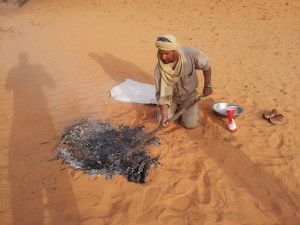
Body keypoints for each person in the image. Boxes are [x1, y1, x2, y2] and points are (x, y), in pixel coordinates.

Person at [154, 34, 212, 129]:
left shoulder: (189, 53)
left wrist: (208, 85)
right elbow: (163, 96)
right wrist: (165, 117)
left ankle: (191, 109)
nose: (163, 57)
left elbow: (206, 65)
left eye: (166, 54)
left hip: (189, 96)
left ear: (175, 51)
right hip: (171, 98)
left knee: (190, 125)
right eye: (161, 53)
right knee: (160, 120)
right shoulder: (159, 70)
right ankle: (172, 109)